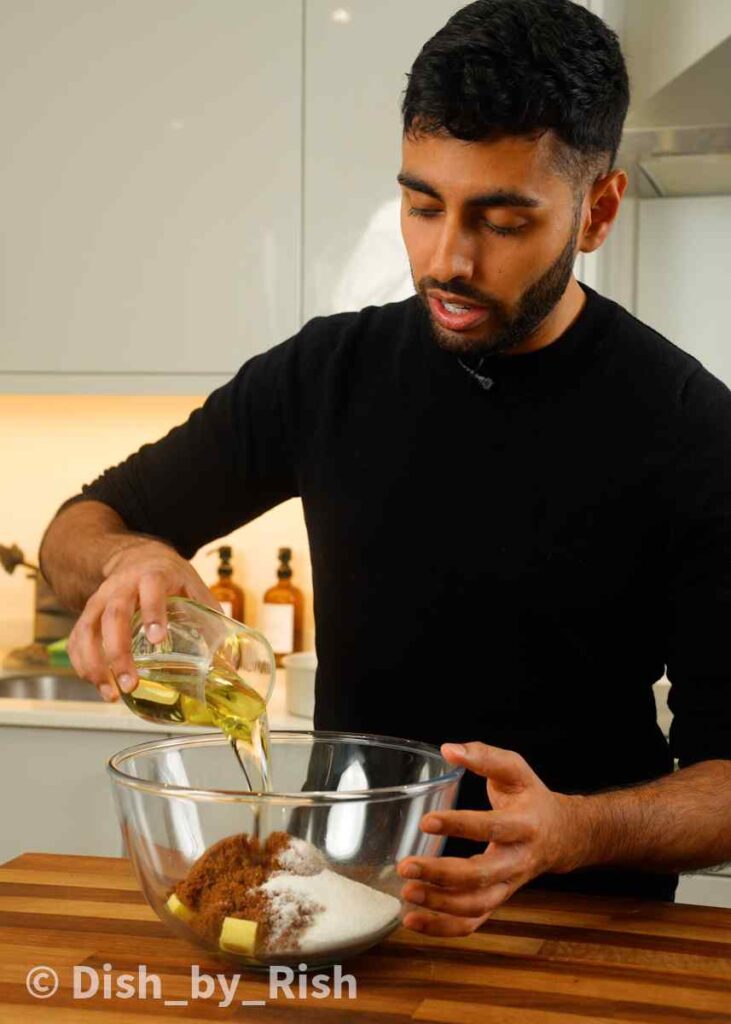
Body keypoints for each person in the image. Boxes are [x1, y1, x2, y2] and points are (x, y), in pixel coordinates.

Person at [40, 0, 731, 938]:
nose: (445, 258)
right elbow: (78, 527)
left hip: (578, 933)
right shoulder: (326, 373)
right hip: (332, 909)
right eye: (421, 204)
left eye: (501, 219)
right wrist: (129, 563)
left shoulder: (691, 428)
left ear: (596, 210)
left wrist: (573, 829)